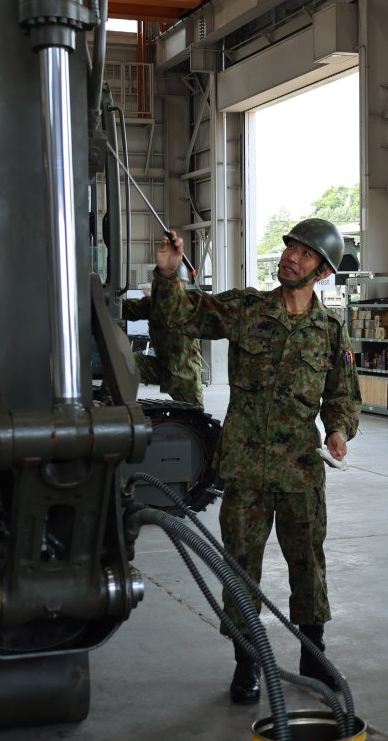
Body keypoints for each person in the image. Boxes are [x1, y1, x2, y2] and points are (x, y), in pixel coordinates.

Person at [152, 218, 361, 705]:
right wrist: (167, 277)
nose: (291, 256)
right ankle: (246, 664)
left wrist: (337, 430)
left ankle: (314, 657)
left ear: (323, 272)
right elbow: (183, 317)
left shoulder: (330, 329)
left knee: (308, 567)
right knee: (241, 569)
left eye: (306, 254)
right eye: (291, 247)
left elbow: (343, 394)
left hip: (300, 470)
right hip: (244, 468)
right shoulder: (246, 308)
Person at [122, 265, 205, 406]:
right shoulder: (155, 303)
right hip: (162, 367)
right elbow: (127, 309)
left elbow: (173, 313)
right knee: (125, 363)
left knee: (194, 421)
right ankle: (112, 408)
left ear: (184, 284)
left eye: (174, 283)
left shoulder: (188, 303)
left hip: (185, 376)